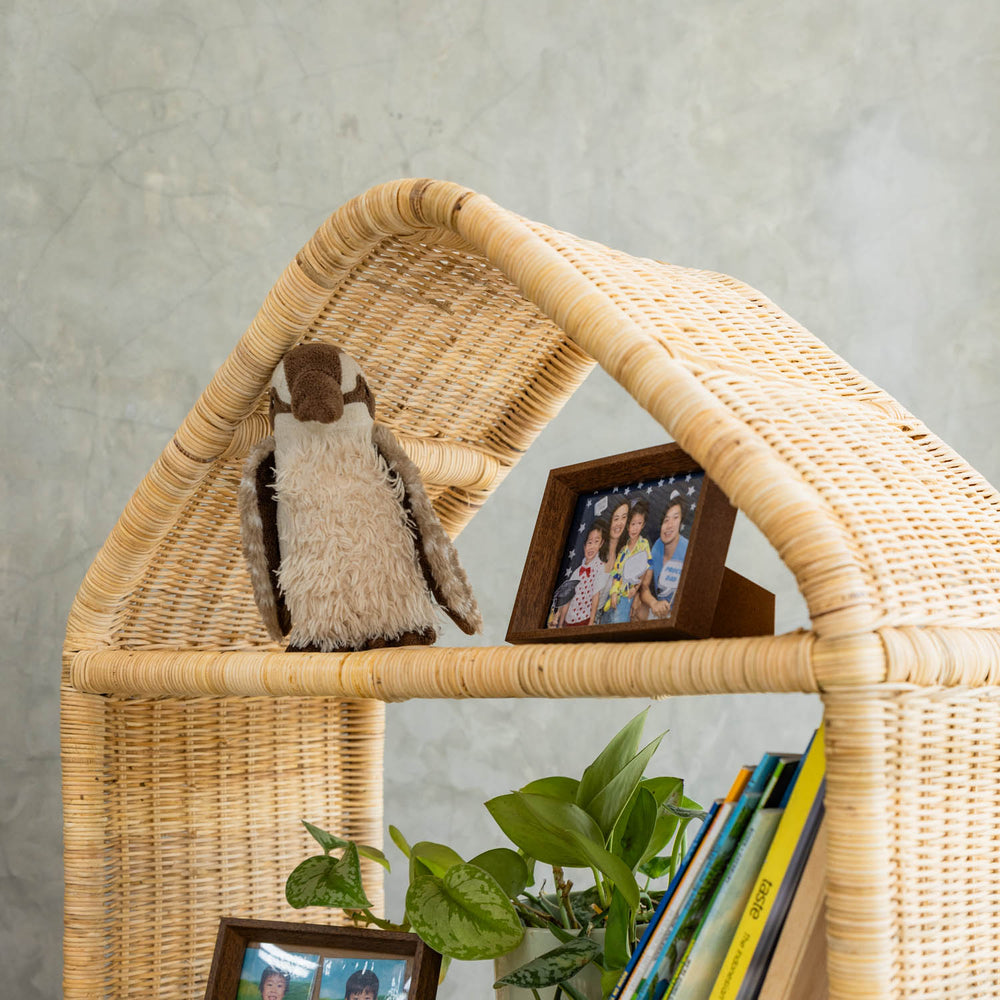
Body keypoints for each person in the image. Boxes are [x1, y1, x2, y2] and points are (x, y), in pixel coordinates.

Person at [596, 498, 651, 624]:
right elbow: (616, 573)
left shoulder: (642, 546)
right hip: (609, 601)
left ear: (643, 525)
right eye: (632, 524)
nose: (635, 528)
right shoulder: (622, 551)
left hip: (626, 597)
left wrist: (636, 590)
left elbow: (646, 568)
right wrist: (614, 591)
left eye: (639, 524)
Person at [636, 495, 689, 620]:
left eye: (675, 518)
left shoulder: (688, 549)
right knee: (638, 607)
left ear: (681, 524)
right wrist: (654, 603)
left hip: (681, 615)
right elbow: (644, 587)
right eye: (666, 520)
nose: (669, 525)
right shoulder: (657, 547)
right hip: (660, 611)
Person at [552, 518, 609, 627]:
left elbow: (595, 596)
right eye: (589, 542)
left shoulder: (600, 567)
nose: (591, 546)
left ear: (601, 544)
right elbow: (567, 598)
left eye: (596, 542)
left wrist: (591, 622)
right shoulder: (577, 572)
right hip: (569, 620)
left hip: (584, 619)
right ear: (584, 546)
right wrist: (561, 624)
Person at [590, 494, 630, 625]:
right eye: (616, 518)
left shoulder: (625, 553)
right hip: (583, 616)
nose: (619, 523)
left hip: (603, 619)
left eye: (624, 517)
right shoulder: (595, 550)